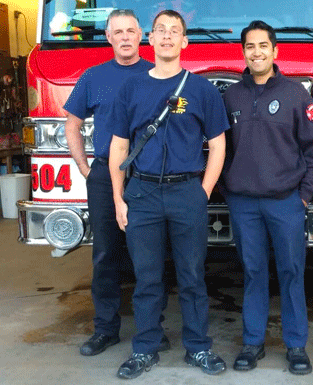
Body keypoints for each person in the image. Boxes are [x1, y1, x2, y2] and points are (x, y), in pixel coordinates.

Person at [108, 9, 228, 380]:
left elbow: (218, 144)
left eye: (174, 31)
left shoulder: (201, 90)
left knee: (192, 275)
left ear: (184, 41)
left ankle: (198, 347)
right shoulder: (130, 89)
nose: (166, 37)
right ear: (151, 38)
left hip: (186, 193)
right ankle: (145, 349)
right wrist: (119, 198)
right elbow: (118, 146)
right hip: (141, 193)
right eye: (160, 30)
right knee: (147, 278)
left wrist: (203, 191)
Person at [63, 9, 171, 358]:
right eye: (117, 32)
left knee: (151, 257)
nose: (125, 37)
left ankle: (152, 329)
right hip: (103, 175)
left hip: (146, 177)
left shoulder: (159, 74)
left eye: (131, 31)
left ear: (143, 36)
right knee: (105, 253)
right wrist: (83, 166)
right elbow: (72, 124)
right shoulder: (93, 77)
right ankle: (106, 328)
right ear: (108, 38)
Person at [220, 20, 313, 375]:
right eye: (250, 46)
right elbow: (221, 151)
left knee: (292, 271)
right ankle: (253, 343)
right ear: (243, 53)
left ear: (275, 51)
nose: (257, 52)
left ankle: (296, 346)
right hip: (244, 204)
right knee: (252, 272)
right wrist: (230, 191)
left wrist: (304, 196)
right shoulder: (231, 97)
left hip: (286, 202)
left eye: (263, 45)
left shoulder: (297, 94)